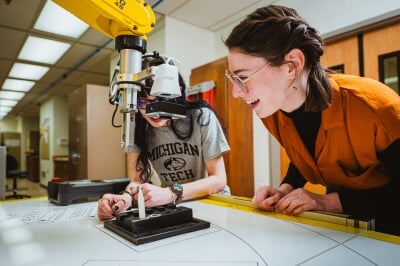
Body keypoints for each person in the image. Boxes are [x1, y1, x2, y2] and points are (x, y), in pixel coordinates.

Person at [224, 5, 400, 235]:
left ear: (292, 66)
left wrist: (327, 203)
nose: (236, 93)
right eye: (233, 79)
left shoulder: (375, 106)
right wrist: (286, 189)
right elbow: (305, 155)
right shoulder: (273, 112)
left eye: (243, 77)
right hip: (345, 219)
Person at [98, 55, 230, 220]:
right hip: (174, 205)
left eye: (160, 100)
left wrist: (170, 192)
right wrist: (125, 198)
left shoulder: (201, 118)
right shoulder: (138, 129)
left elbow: (218, 180)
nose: (152, 111)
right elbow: (136, 180)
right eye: (143, 103)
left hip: (213, 202)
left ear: (177, 94)